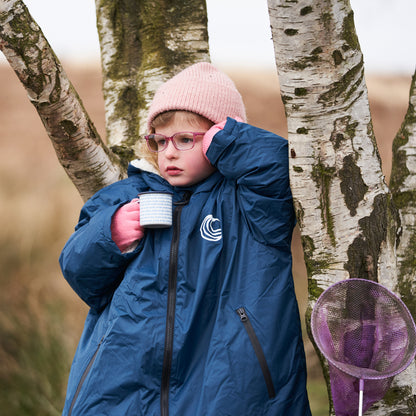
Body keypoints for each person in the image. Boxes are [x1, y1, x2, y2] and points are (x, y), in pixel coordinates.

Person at [59, 62, 311, 415]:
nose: (170, 153)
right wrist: (110, 234)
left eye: (186, 139)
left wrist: (231, 139)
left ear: (219, 139)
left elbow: (277, 168)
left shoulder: (247, 203)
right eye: (160, 141)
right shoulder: (126, 196)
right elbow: (80, 274)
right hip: (122, 380)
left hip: (227, 383)